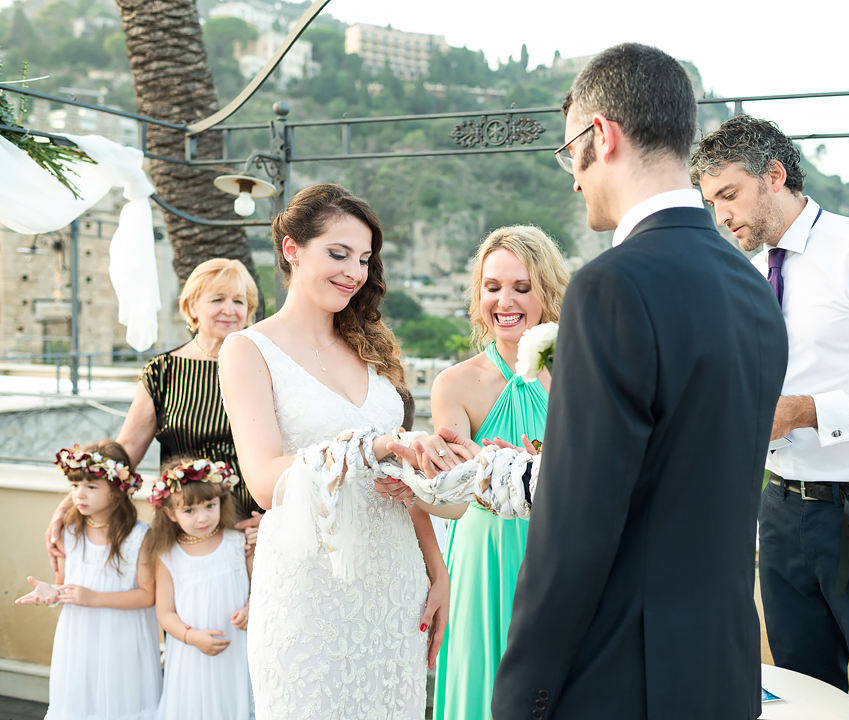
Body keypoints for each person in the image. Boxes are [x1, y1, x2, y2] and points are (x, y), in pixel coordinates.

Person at [490, 44, 788, 719]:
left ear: (603, 135)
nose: (573, 178)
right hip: (722, 672)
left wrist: (521, 699)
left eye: (571, 153)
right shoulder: (751, 287)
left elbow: (574, 526)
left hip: (624, 678)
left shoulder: (612, 287)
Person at [690, 114, 849, 720]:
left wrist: (809, 412)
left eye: (728, 195)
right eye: (710, 202)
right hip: (780, 512)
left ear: (774, 176)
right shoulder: (747, 274)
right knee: (802, 702)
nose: (721, 215)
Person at [217, 183, 462, 719]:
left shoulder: (371, 349)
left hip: (396, 587)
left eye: (365, 259)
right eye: (338, 253)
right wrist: (374, 445)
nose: (354, 271)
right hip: (307, 587)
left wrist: (437, 572)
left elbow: (403, 483)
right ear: (291, 249)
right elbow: (264, 480)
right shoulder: (247, 350)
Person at [431, 226, 569, 720]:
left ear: (547, 292)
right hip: (484, 557)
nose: (504, 300)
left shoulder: (582, 372)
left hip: (563, 554)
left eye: (521, 287)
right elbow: (453, 484)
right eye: (492, 287)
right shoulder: (457, 384)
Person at [45, 258, 264, 569]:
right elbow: (126, 454)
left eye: (239, 301)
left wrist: (273, 520)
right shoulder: (163, 371)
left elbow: (287, 449)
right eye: (217, 299)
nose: (229, 309)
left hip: (251, 533)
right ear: (191, 307)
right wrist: (66, 508)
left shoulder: (263, 369)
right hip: (185, 531)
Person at [16, 440, 161, 719]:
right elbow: (63, 583)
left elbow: (147, 595)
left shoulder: (138, 536)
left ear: (118, 491)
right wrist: (51, 593)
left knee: (122, 703)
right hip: (80, 637)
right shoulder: (70, 531)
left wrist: (94, 598)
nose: (79, 494)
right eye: (74, 486)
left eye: (91, 487)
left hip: (123, 638)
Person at [145, 458, 252, 720]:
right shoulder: (168, 556)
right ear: (171, 514)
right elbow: (165, 613)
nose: (202, 517)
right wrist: (193, 637)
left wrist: (252, 608)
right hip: (191, 654)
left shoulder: (239, 544)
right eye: (189, 511)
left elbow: (259, 589)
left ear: (221, 502)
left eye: (209, 506)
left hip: (236, 649)